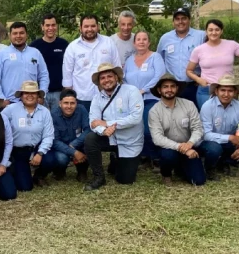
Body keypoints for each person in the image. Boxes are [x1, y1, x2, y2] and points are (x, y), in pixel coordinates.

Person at [84, 63, 144, 191]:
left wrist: (107, 123)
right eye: (103, 78)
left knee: (125, 180)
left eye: (109, 76)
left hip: (130, 142)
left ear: (116, 77)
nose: (106, 80)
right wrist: (104, 130)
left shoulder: (132, 91)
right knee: (90, 139)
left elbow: (135, 118)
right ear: (99, 82)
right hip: (110, 138)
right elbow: (93, 122)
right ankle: (99, 177)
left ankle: (116, 159)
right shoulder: (97, 98)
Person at [148, 74, 206, 186]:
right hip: (169, 149)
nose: (169, 89)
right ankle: (166, 174)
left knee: (198, 181)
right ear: (159, 90)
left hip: (189, 146)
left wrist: (189, 143)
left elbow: (198, 128)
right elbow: (157, 138)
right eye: (165, 87)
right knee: (168, 156)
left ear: (177, 88)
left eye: (172, 86)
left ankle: (180, 168)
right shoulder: (154, 111)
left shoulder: (189, 105)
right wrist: (180, 147)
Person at [199, 73, 239, 178]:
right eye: (223, 90)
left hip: (229, 143)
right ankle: (209, 168)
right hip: (210, 142)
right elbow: (205, 134)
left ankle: (225, 162)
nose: (226, 94)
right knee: (214, 149)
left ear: (235, 92)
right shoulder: (207, 106)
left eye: (230, 91)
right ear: (216, 91)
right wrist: (230, 137)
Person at [1, 81, 56, 191]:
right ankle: (16, 170)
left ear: (38, 96)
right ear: (21, 96)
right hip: (17, 150)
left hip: (36, 148)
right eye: (26, 93)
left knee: (51, 160)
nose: (30, 95)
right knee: (25, 187)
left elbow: (48, 135)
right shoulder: (10, 109)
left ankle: (39, 175)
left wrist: (40, 153)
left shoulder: (45, 111)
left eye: (33, 93)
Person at [123, 31, 167, 164]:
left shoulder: (156, 57)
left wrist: (143, 90)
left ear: (149, 42)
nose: (141, 42)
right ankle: (141, 155)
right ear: (134, 43)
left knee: (148, 129)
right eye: (138, 39)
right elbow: (123, 79)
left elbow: (159, 76)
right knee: (135, 128)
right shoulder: (129, 60)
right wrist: (132, 92)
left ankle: (155, 156)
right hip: (132, 100)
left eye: (144, 39)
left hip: (151, 97)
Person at [63, 14, 122, 112]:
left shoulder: (108, 42)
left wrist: (117, 92)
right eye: (86, 26)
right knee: (85, 126)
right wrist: (70, 98)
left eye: (93, 26)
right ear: (80, 28)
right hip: (82, 97)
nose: (90, 29)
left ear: (98, 27)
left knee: (107, 125)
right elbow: (67, 75)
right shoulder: (72, 47)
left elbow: (117, 68)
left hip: (107, 95)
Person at [187, 19, 239, 110]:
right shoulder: (198, 50)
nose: (214, 32)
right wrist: (199, 80)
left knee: (230, 119)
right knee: (208, 120)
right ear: (206, 32)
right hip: (207, 90)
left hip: (227, 89)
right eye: (210, 30)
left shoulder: (232, 45)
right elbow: (189, 70)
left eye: (217, 30)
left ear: (222, 31)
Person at [0, 21, 49, 105]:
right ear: (10, 35)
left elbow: (44, 75)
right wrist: (1, 98)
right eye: (15, 33)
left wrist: (42, 95)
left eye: (21, 33)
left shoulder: (35, 53)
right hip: (10, 102)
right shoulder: (2, 54)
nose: (18, 36)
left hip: (32, 101)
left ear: (26, 35)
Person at [158, 7, 206, 103]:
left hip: (194, 86)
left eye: (183, 18)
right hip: (172, 87)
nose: (180, 22)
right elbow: (159, 60)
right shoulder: (165, 38)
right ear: (173, 22)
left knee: (195, 115)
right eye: (177, 19)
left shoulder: (201, 36)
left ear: (189, 20)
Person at [30, 13, 69, 112]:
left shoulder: (64, 44)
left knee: (58, 122)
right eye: (47, 25)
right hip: (41, 94)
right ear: (42, 27)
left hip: (59, 92)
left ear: (56, 26)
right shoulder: (34, 47)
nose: (50, 28)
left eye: (53, 25)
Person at [50, 90, 90, 182]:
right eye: (66, 103)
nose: (69, 106)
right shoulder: (53, 114)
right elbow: (55, 141)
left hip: (78, 143)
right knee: (61, 158)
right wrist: (74, 152)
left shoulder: (81, 109)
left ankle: (82, 171)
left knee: (90, 146)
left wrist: (75, 144)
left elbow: (88, 129)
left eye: (72, 103)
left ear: (76, 103)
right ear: (60, 103)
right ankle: (60, 171)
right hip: (61, 146)